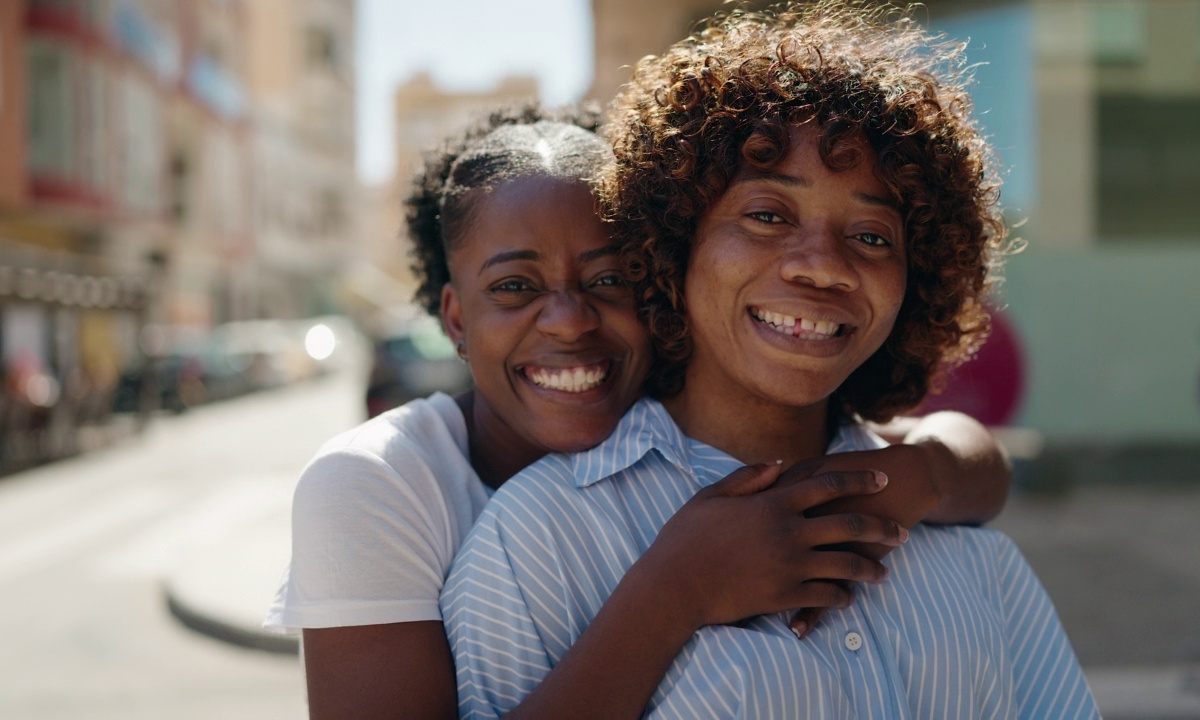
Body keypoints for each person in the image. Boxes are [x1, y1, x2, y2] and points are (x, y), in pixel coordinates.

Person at [442, 3, 1100, 718]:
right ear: (673, 243)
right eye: (767, 216)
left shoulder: (964, 545)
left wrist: (930, 477)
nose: (823, 268)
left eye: (873, 237)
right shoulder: (535, 543)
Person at [266, 102, 1012, 718]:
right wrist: (672, 594)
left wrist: (909, 477)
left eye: (610, 278)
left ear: (659, 282)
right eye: (516, 288)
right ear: (456, 319)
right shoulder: (378, 484)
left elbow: (970, 463)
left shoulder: (693, 426)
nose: (567, 321)